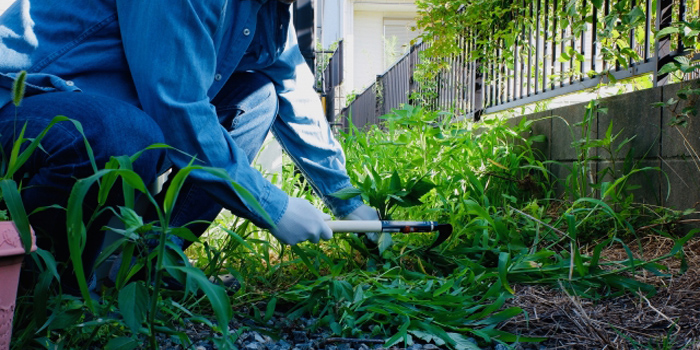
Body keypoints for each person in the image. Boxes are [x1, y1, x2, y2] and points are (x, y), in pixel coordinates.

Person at [0, 0, 379, 292]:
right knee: (125, 131)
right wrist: (273, 207)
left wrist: (350, 201)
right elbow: (175, 107)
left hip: (116, 113)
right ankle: (55, 288)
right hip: (25, 101)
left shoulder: (268, 9)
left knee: (257, 98)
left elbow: (293, 86)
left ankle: (146, 260)